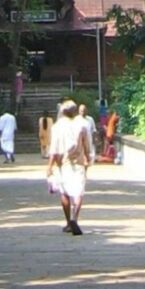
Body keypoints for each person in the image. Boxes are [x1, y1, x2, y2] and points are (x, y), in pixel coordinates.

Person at [47, 100, 92, 235]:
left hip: (62, 162)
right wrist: (88, 158)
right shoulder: (82, 125)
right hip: (78, 162)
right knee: (78, 192)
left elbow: (53, 149)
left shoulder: (57, 127)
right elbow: (87, 145)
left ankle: (68, 222)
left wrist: (49, 166)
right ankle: (75, 218)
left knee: (64, 192)